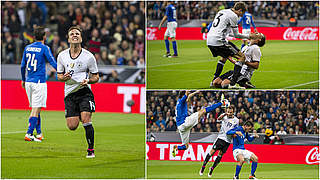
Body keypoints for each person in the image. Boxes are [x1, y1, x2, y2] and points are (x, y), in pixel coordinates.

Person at [57, 26, 99, 158]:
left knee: (86, 119)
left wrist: (88, 81)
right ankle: (82, 114)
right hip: (69, 94)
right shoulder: (62, 56)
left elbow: (96, 77)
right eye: (72, 34)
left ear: (80, 38)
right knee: (72, 126)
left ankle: (90, 150)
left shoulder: (89, 57)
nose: (74, 35)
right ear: (68, 38)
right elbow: (59, 76)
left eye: (77, 34)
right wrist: (64, 78)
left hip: (84, 91)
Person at [207, 2, 262, 88]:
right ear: (240, 10)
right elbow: (236, 35)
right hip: (219, 40)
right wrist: (249, 36)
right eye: (242, 13)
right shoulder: (234, 16)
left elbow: (229, 34)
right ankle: (233, 84)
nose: (241, 16)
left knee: (224, 57)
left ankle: (213, 80)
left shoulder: (222, 11)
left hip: (209, 40)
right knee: (242, 57)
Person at [21, 26, 57, 142]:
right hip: (39, 82)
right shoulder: (44, 48)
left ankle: (39, 133)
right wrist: (63, 71)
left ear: (34, 36)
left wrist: (23, 79)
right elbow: (52, 62)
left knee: (36, 108)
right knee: (36, 109)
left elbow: (23, 66)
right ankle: (29, 133)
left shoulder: (27, 48)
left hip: (28, 82)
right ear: (44, 37)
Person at [172, 91, 229, 157]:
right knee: (203, 111)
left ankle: (176, 147)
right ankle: (221, 103)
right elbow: (187, 94)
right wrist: (188, 91)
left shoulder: (179, 101)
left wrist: (196, 92)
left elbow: (189, 96)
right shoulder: (182, 100)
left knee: (186, 146)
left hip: (180, 127)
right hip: (185, 122)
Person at [199, 106, 239, 177]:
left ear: (233, 112)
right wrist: (224, 114)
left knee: (220, 155)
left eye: (231, 112)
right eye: (228, 112)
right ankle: (203, 166)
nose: (229, 113)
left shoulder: (236, 120)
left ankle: (212, 169)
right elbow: (218, 119)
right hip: (221, 138)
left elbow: (235, 129)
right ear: (227, 111)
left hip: (228, 140)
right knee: (212, 152)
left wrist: (235, 134)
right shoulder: (224, 116)